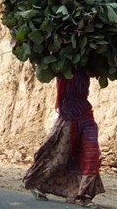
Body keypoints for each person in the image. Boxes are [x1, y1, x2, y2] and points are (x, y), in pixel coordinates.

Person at [23, 68, 105, 207]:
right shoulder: (62, 66)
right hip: (68, 115)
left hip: (85, 114)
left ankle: (82, 195)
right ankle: (38, 183)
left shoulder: (88, 63)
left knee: (92, 154)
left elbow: (94, 71)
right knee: (58, 155)